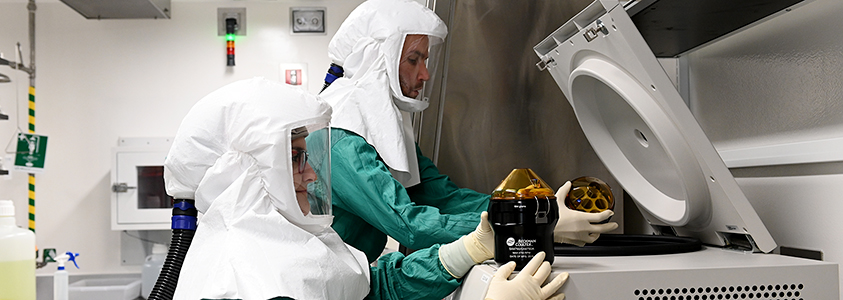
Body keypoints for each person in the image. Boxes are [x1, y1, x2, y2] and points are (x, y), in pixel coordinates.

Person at [161, 77, 568, 300]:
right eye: (295, 158)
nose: (311, 176)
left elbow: (371, 287)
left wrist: (465, 251)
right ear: (247, 172)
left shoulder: (290, 243)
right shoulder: (245, 279)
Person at [318, 0, 619, 266]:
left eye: (425, 59)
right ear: (376, 59)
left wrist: (539, 206)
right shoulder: (342, 136)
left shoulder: (382, 128)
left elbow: (444, 197)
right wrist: (534, 224)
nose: (425, 74)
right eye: (414, 60)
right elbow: (410, 225)